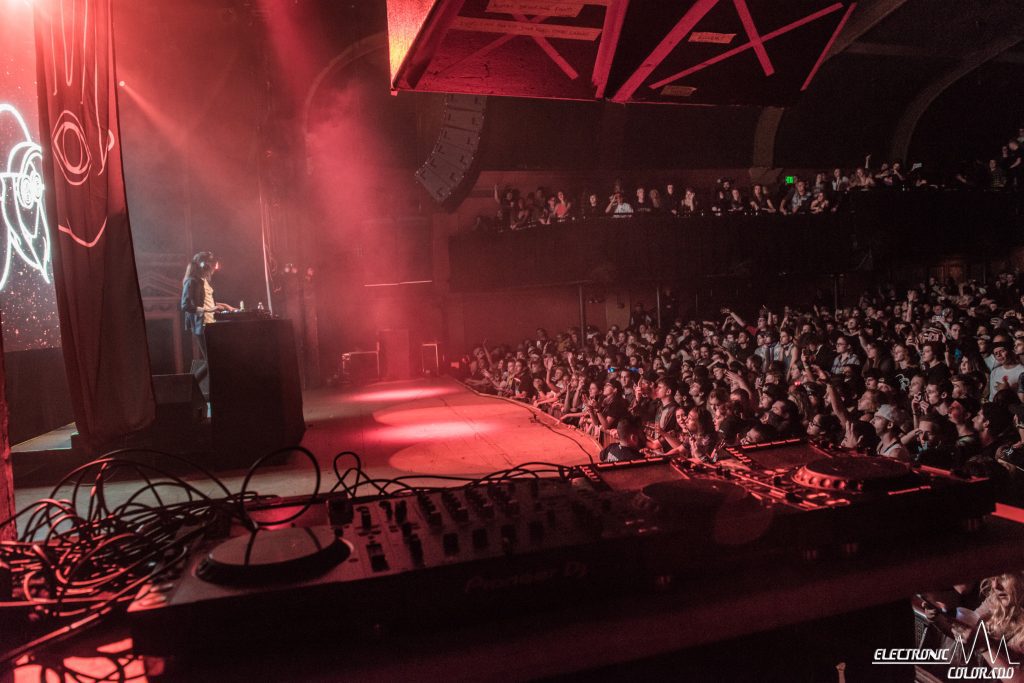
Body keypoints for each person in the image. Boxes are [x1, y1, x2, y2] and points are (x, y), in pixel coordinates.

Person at [180, 251, 236, 359]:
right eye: (213, 266)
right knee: (211, 361)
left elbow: (206, 301)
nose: (214, 269)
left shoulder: (204, 281)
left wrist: (225, 305)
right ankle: (194, 377)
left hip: (211, 324)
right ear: (204, 265)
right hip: (202, 326)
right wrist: (208, 310)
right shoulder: (191, 281)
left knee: (215, 360)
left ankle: (197, 376)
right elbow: (185, 305)